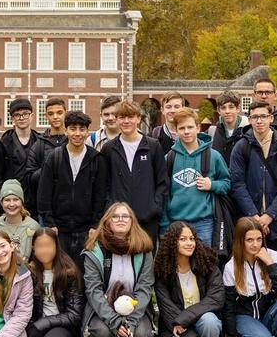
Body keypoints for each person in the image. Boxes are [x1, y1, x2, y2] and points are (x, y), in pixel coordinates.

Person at [82, 202, 155, 337]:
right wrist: (115, 322)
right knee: (102, 332)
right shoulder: (95, 249)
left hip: (135, 309)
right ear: (107, 221)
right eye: (115, 216)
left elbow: (145, 289)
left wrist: (131, 321)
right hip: (104, 308)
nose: (120, 219)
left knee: (142, 334)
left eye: (125, 216)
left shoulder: (144, 250)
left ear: (132, 221)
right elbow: (93, 291)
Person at [154, 222, 225, 337]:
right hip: (173, 326)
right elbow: (166, 307)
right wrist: (179, 322)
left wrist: (184, 319)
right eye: (183, 239)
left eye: (192, 238)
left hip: (198, 321)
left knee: (210, 321)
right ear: (172, 243)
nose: (189, 243)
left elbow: (216, 297)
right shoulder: (163, 269)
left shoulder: (207, 262)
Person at [37, 111, 107, 268]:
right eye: (73, 128)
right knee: (62, 271)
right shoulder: (54, 158)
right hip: (59, 228)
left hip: (86, 229)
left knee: (84, 272)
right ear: (66, 130)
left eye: (82, 129)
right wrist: (50, 223)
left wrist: (95, 225)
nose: (77, 133)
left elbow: (100, 195)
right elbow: (44, 194)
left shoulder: (96, 159)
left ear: (87, 131)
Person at [230, 101, 277, 259]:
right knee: (248, 269)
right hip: (248, 221)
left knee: (274, 269)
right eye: (254, 117)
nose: (259, 121)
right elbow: (237, 184)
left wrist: (269, 215)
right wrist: (255, 217)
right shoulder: (241, 147)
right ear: (250, 119)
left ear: (271, 118)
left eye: (263, 116)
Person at [21, 227, 83, 337]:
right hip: (36, 328)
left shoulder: (69, 272)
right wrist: (29, 329)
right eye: (39, 245)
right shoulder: (29, 272)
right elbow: (23, 306)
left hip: (62, 327)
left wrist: (42, 324)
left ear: (56, 246)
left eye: (48, 245)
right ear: (33, 248)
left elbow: (74, 315)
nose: (44, 250)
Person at [101, 100, 168, 245]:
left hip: (147, 220)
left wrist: (154, 208)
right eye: (122, 117)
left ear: (138, 118)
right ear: (117, 119)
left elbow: (162, 183)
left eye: (130, 117)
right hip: (118, 221)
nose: (126, 121)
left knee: (145, 264)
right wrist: (110, 208)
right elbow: (103, 184)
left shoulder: (153, 146)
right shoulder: (109, 149)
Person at [162, 107, 231, 246]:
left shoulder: (213, 156)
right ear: (176, 130)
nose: (186, 131)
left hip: (204, 223)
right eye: (182, 128)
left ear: (198, 128)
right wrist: (164, 226)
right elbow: (163, 195)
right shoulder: (168, 159)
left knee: (205, 264)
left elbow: (227, 183)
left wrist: (212, 185)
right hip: (176, 223)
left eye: (190, 127)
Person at [23, 97, 67, 215]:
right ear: (46, 116)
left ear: (65, 113)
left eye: (59, 113)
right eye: (51, 114)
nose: (55, 117)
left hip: (70, 206)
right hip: (47, 208)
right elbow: (30, 177)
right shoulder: (38, 145)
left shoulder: (73, 142)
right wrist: (48, 169)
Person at [0, 98, 38, 202]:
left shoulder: (39, 142)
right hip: (12, 199)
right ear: (13, 119)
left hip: (34, 200)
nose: (21, 118)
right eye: (17, 115)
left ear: (31, 116)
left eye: (25, 114)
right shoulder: (4, 143)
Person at [0, 179, 40, 260]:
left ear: (22, 202)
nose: (12, 204)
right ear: (1, 202)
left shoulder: (33, 226)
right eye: (7, 200)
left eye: (16, 199)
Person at [208, 91, 249, 168]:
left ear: (238, 109)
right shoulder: (212, 132)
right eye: (223, 108)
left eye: (231, 107)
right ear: (218, 110)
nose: (227, 111)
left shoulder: (248, 132)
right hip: (219, 178)